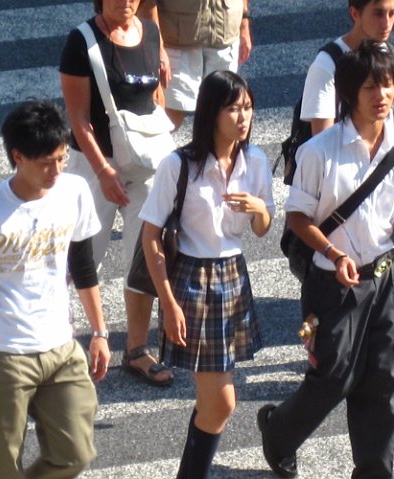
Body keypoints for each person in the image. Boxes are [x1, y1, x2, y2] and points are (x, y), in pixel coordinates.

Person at [258, 41, 394, 479]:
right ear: (350, 94)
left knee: (381, 379)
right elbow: (298, 218)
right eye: (371, 87)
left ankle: (374, 472)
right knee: (333, 377)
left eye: (388, 85)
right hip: (332, 283)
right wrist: (334, 254)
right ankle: (278, 431)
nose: (382, 95)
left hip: (384, 278)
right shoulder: (319, 152)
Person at [140, 70, 274, 478]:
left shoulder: (256, 160)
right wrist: (167, 302)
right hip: (192, 280)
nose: (243, 117)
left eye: (248, 107)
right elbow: (150, 235)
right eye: (233, 108)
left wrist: (259, 209)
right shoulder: (179, 165)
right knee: (222, 402)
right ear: (211, 112)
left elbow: (262, 228)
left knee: (212, 401)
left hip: (233, 275)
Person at [0, 100, 111, 478]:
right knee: (3, 464)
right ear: (18, 156)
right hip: (6, 352)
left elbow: (83, 267)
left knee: (75, 453)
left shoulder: (74, 191)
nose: (57, 170)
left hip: (61, 346)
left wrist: (99, 332)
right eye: (47, 162)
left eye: (62, 158)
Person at [301, 0, 394, 391]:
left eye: (393, 12)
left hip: (384, 186)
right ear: (354, 13)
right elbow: (321, 138)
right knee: (336, 308)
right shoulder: (328, 64)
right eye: (378, 13)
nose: (387, 22)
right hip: (341, 193)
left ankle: (390, 356)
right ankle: (326, 354)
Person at [60, 0, 175, 386]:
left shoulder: (151, 32)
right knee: (81, 252)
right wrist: (104, 170)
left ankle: (137, 349)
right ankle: (58, 338)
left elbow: (155, 101)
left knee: (143, 255)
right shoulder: (82, 41)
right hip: (95, 166)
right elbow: (78, 118)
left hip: (144, 163)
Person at [138, 0, 252, 130]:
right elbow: (146, 4)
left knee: (222, 114)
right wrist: (156, 46)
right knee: (169, 118)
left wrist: (244, 23)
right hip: (177, 42)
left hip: (225, 36)